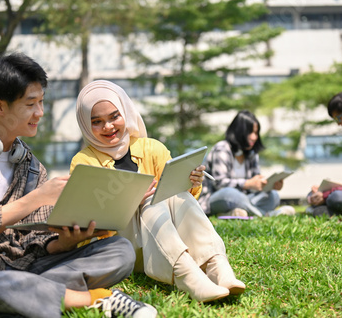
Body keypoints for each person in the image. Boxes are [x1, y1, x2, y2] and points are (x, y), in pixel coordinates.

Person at [0, 53, 156, 318]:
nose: (40, 113)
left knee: (119, 250)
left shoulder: (32, 166)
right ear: (0, 107)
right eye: (31, 104)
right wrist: (36, 198)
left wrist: (64, 243)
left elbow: (36, 240)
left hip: (23, 267)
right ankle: (93, 299)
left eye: (41, 102)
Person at [70, 80, 246, 303]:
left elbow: (183, 200)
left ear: (125, 112)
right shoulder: (84, 162)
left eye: (114, 116)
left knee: (176, 194)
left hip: (165, 240)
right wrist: (129, 202)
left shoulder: (151, 148)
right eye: (97, 121)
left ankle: (216, 265)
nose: (108, 127)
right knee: (151, 198)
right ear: (86, 124)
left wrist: (191, 182)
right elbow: (87, 222)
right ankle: (187, 275)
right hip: (125, 247)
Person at [198, 110, 295, 218]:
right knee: (231, 194)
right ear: (238, 131)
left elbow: (254, 185)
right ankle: (265, 215)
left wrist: (267, 185)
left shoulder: (252, 154)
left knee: (273, 196)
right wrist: (247, 184)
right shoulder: (222, 148)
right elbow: (220, 184)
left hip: (245, 198)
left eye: (256, 133)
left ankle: (234, 213)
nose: (254, 137)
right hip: (216, 198)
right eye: (250, 132)